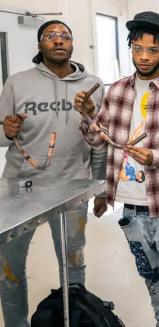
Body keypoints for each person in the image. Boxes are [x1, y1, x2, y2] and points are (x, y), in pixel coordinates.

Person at [74, 11, 159, 327]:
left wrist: (155, 157)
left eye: (152, 50)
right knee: (149, 273)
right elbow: (97, 141)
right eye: (138, 48)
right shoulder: (116, 91)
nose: (144, 57)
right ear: (130, 47)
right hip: (129, 205)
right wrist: (89, 116)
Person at [0, 19, 107, 327]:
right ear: (40, 46)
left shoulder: (93, 86)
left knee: (73, 265)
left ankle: (73, 318)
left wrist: (99, 188)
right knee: (9, 271)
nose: (59, 40)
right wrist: (7, 131)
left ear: (72, 44)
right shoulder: (17, 83)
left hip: (73, 188)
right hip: (22, 188)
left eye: (65, 36)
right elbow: (1, 134)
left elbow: (101, 141)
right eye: (51, 36)